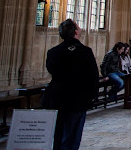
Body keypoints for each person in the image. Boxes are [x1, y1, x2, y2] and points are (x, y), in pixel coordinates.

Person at [42, 19, 99, 150]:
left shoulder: (53, 52)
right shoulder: (85, 52)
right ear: (76, 32)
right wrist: (89, 98)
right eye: (79, 27)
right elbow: (93, 78)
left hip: (56, 99)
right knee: (72, 137)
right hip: (76, 101)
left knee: (57, 135)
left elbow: (52, 71)